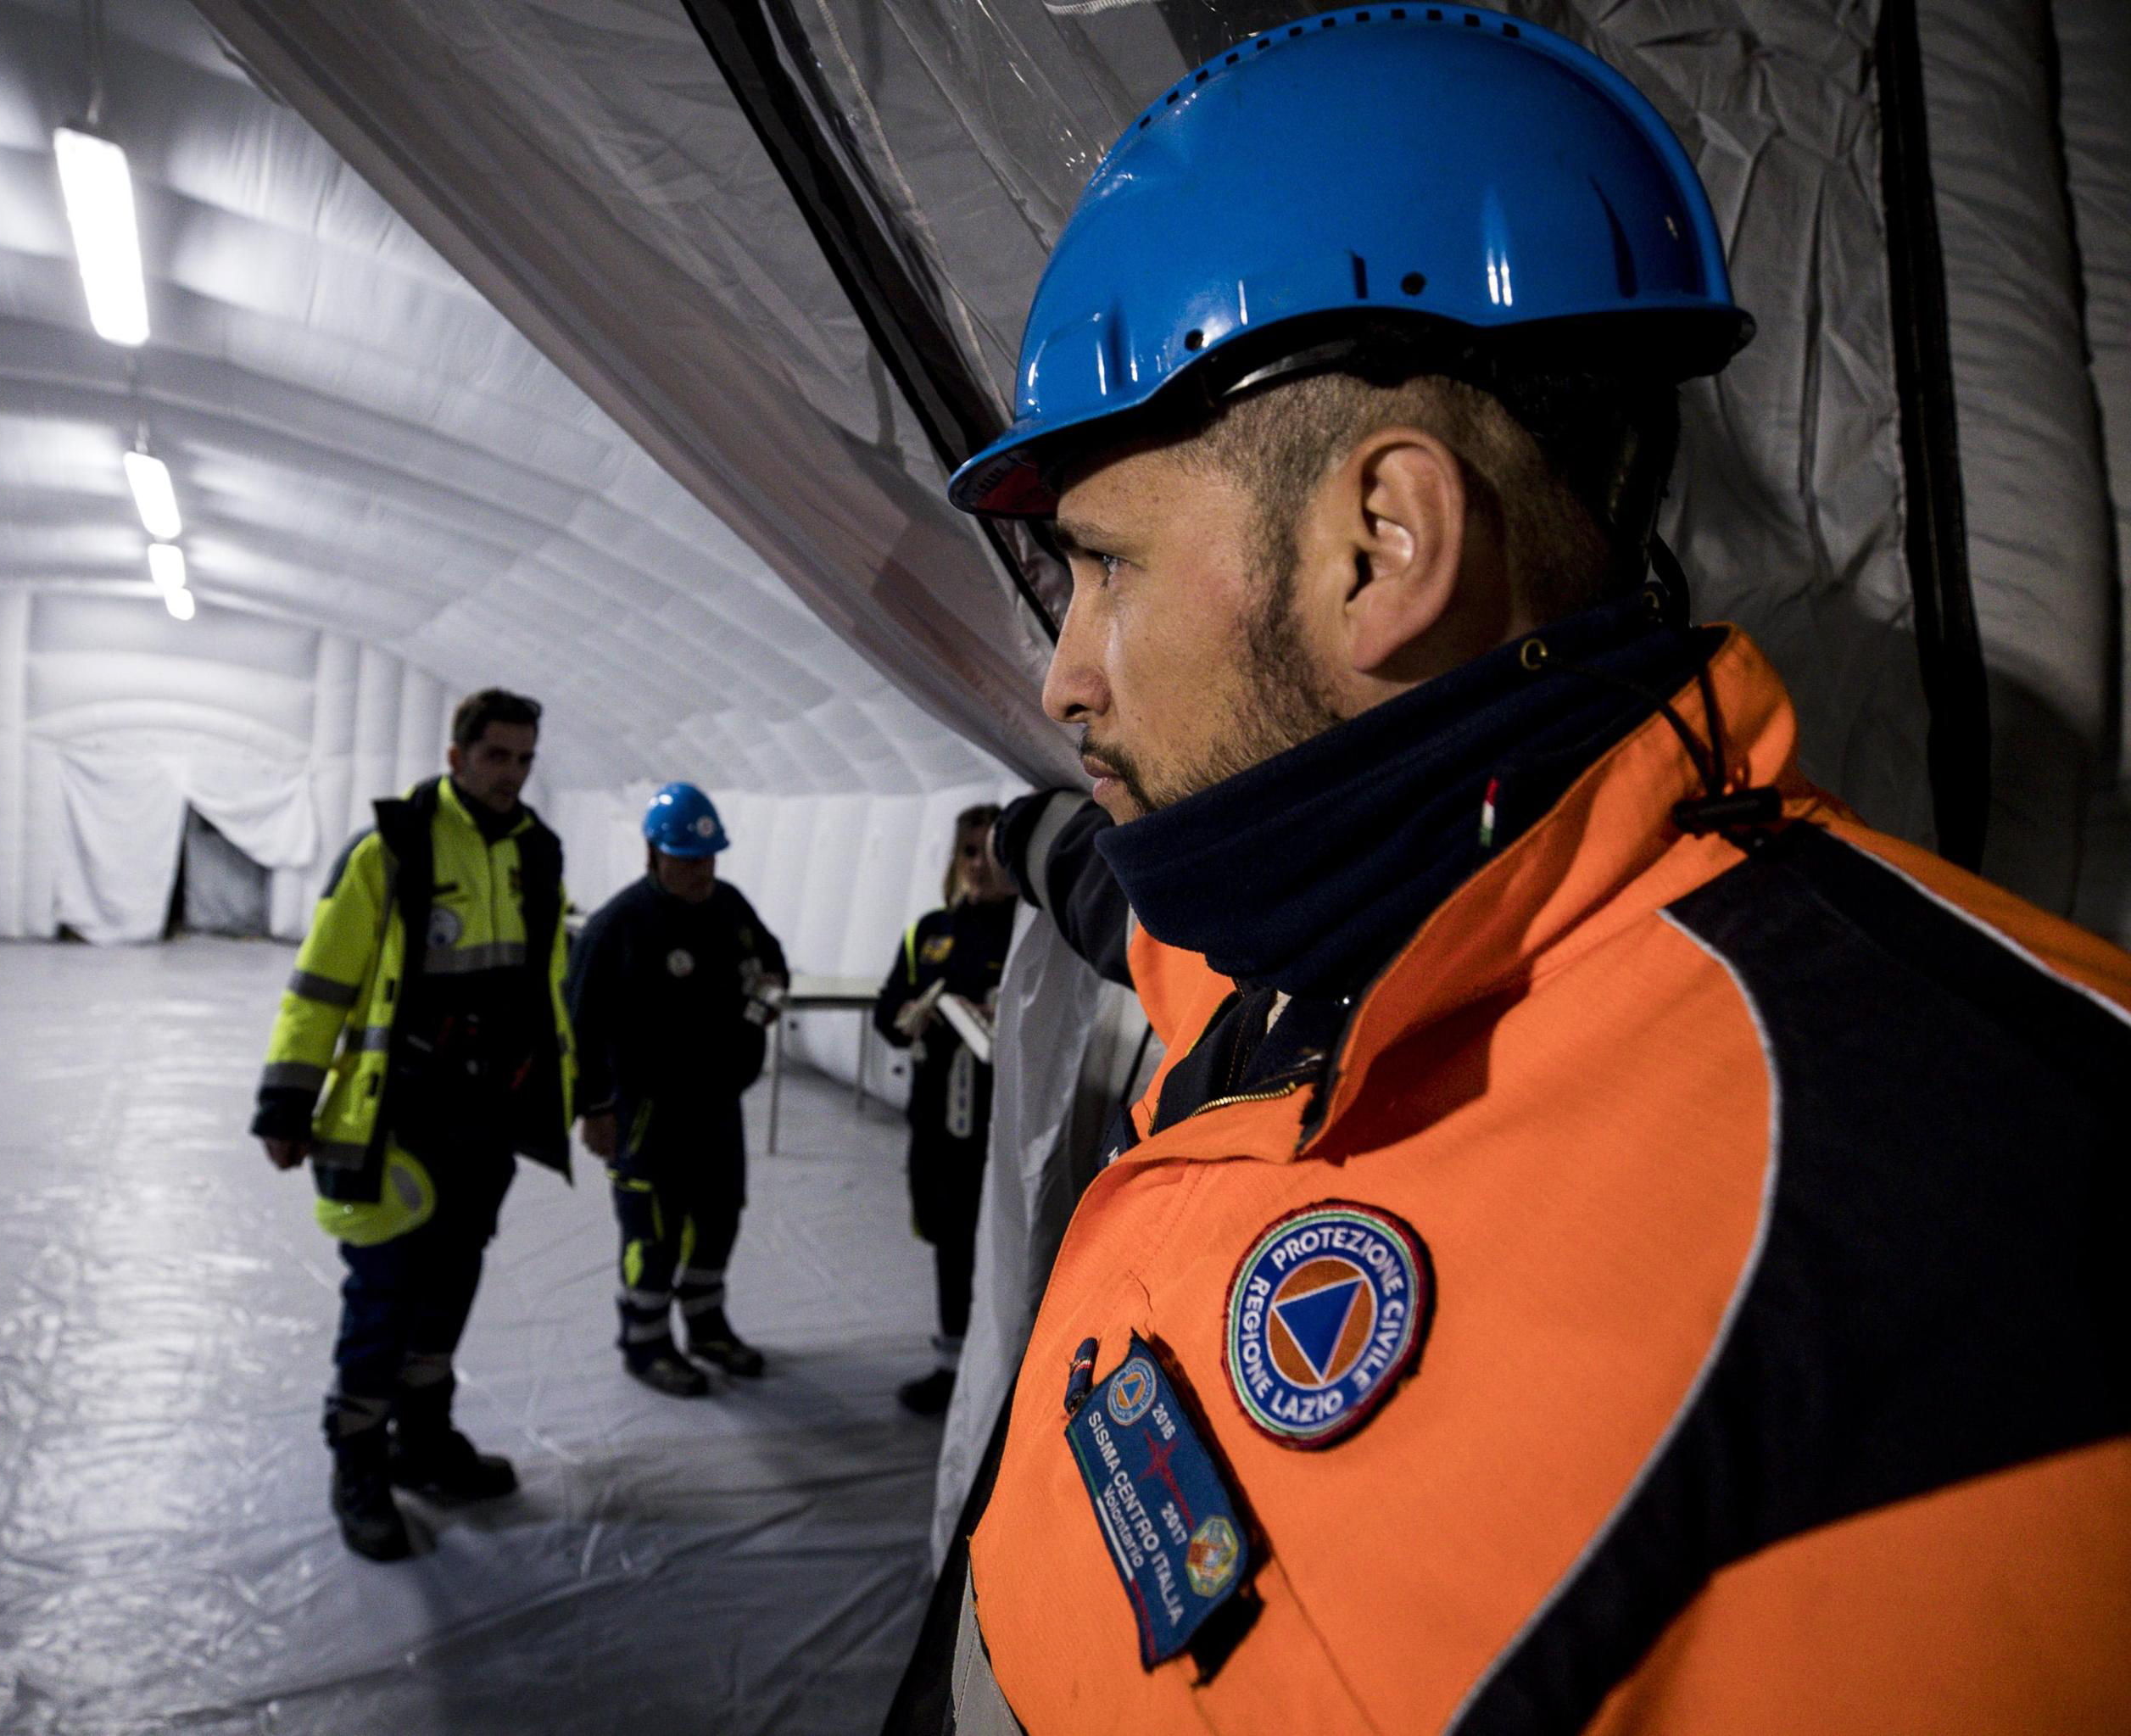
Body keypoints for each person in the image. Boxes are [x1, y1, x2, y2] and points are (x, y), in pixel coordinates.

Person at [890, 10, 2131, 1734]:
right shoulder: (1302, 929)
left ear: (1381, 542)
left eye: (1102, 566)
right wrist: (1026, 853)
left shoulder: (2002, 1233)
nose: (1063, 674)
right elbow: (1118, 899)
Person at [250, 688, 572, 1562]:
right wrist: (287, 1099)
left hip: (485, 1120)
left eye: (523, 758)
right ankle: (357, 1462)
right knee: (384, 1297)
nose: (510, 773)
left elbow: (547, 988)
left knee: (449, 1289)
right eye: (496, 755)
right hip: (395, 1119)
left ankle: (422, 1441)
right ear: (456, 755)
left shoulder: (537, 853)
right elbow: (322, 983)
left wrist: (573, 1091)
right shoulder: (390, 850)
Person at [569, 782, 787, 1397]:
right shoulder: (618, 926)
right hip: (645, 1111)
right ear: (653, 854)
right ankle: (645, 1341)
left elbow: (772, 960)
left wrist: (769, 992)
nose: (699, 871)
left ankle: (706, 1325)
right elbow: (580, 1024)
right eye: (686, 860)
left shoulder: (729, 906)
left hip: (717, 1103)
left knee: (718, 1217)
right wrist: (595, 1107)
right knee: (653, 1230)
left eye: (709, 858)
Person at [873, 804, 1016, 1416]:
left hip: (1000, 1121)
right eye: (968, 850)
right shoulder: (929, 931)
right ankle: (952, 1363)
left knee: (1000, 1241)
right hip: (936, 1119)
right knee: (946, 1237)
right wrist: (913, 1017)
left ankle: (1007, 1371)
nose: (978, 864)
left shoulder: (1029, 936)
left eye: (990, 851)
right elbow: (887, 1013)